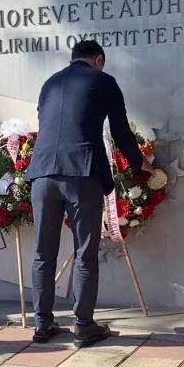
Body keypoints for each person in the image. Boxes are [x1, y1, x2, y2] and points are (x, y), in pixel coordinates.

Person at [26, 40, 153, 348]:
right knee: (85, 252)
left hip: (42, 175)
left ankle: (42, 323)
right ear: (98, 59)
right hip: (82, 174)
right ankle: (83, 325)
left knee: (43, 253)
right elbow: (120, 130)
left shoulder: (50, 83)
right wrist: (140, 163)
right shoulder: (103, 80)